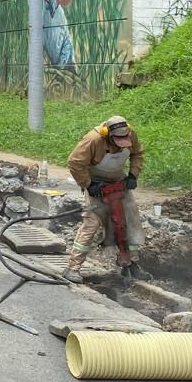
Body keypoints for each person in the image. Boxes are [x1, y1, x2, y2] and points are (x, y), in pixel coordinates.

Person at [63, 115, 149, 284]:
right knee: (92, 223)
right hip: (97, 184)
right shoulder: (93, 140)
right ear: (108, 135)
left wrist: (132, 175)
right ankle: (73, 268)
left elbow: (137, 153)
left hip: (119, 181)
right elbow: (74, 162)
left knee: (130, 221)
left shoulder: (130, 134)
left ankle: (130, 263)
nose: (123, 143)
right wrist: (88, 184)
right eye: (118, 140)